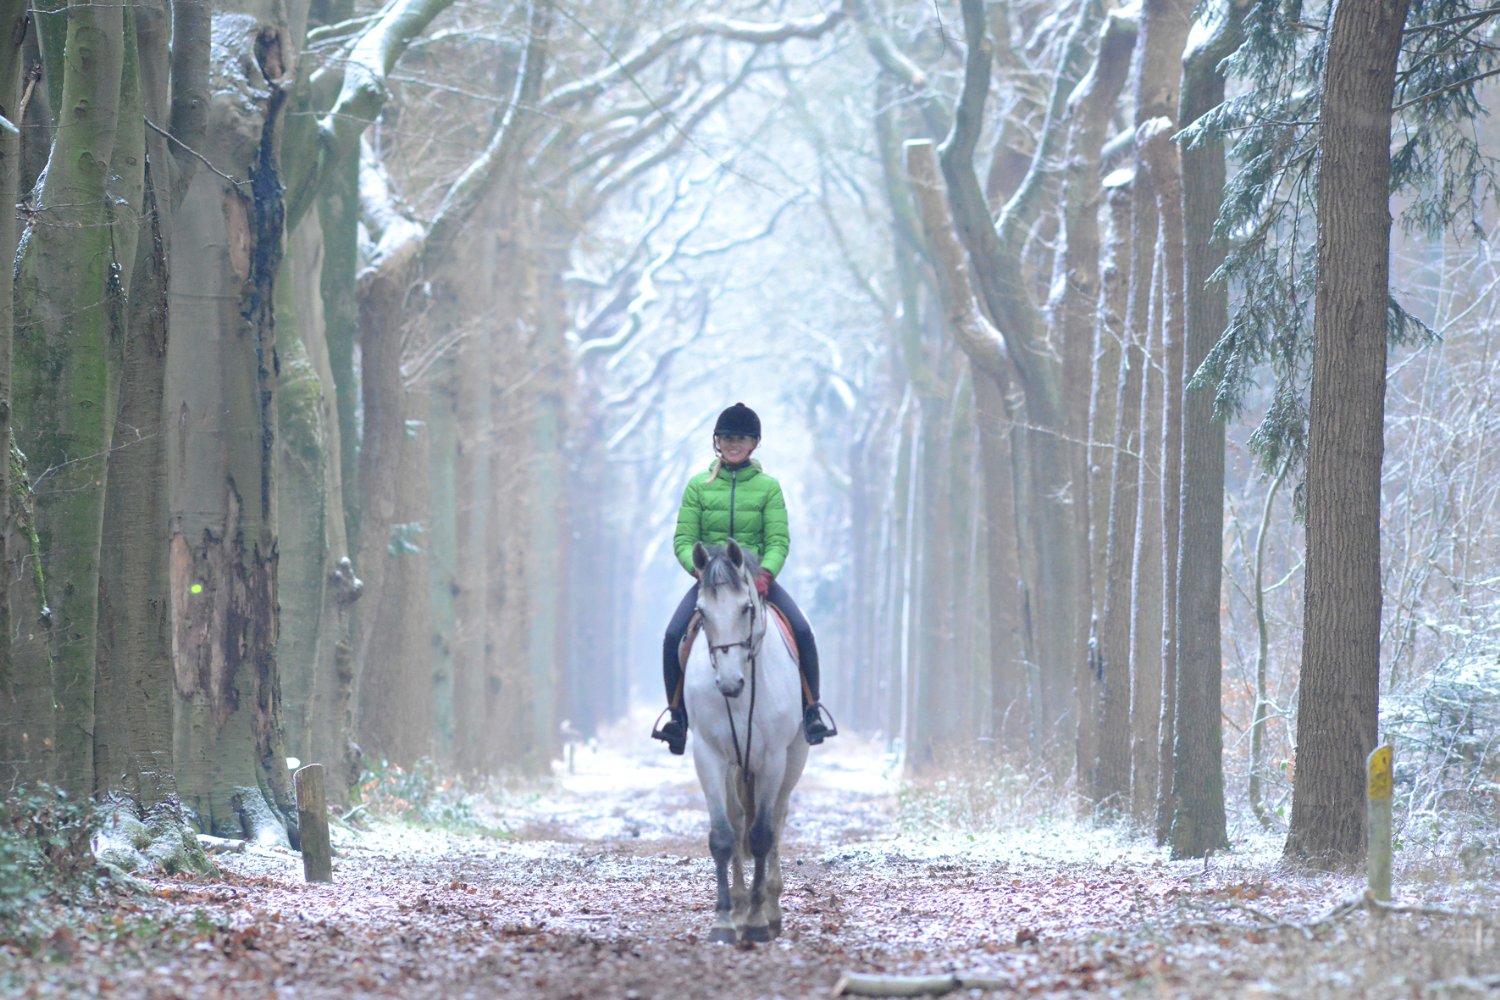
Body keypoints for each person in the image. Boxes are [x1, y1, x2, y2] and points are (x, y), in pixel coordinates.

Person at [652, 402, 836, 755]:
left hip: (757, 580)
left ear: (754, 444)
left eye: (742, 438)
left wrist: (765, 573)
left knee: (801, 631)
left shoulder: (769, 487)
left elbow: (778, 540)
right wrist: (700, 570)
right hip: (711, 580)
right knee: (674, 635)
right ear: (717, 442)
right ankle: (677, 717)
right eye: (727, 437)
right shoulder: (697, 487)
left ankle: (811, 711)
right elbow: (683, 539)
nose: (734, 444)